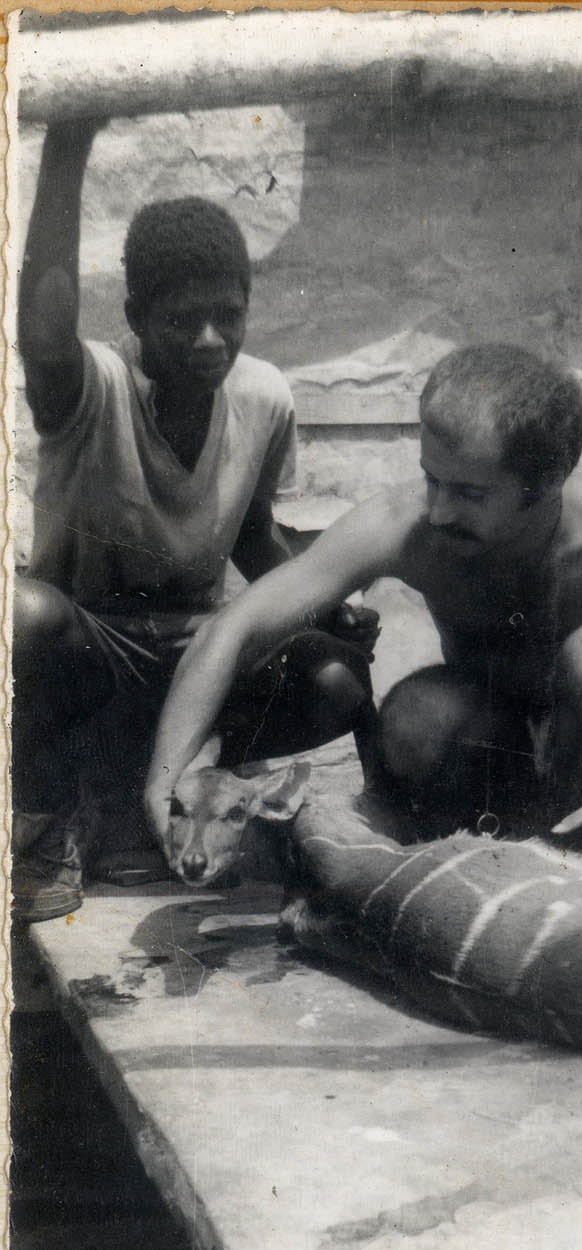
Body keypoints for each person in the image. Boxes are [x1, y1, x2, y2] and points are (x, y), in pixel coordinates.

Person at [146, 343, 582, 861]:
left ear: (546, 484)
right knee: (417, 717)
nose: (439, 511)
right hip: (496, 754)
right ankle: (506, 849)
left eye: (469, 493)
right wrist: (162, 782)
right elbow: (235, 628)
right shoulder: (406, 524)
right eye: (431, 479)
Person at [13, 120, 376, 922]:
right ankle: (47, 830)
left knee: (336, 674)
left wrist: (326, 604)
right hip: (91, 660)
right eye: (182, 320)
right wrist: (68, 147)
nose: (211, 339)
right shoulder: (89, 390)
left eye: (229, 314)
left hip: (191, 665)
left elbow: (249, 532)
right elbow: (42, 331)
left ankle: (200, 803)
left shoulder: (263, 397)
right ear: (137, 316)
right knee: (23, 616)